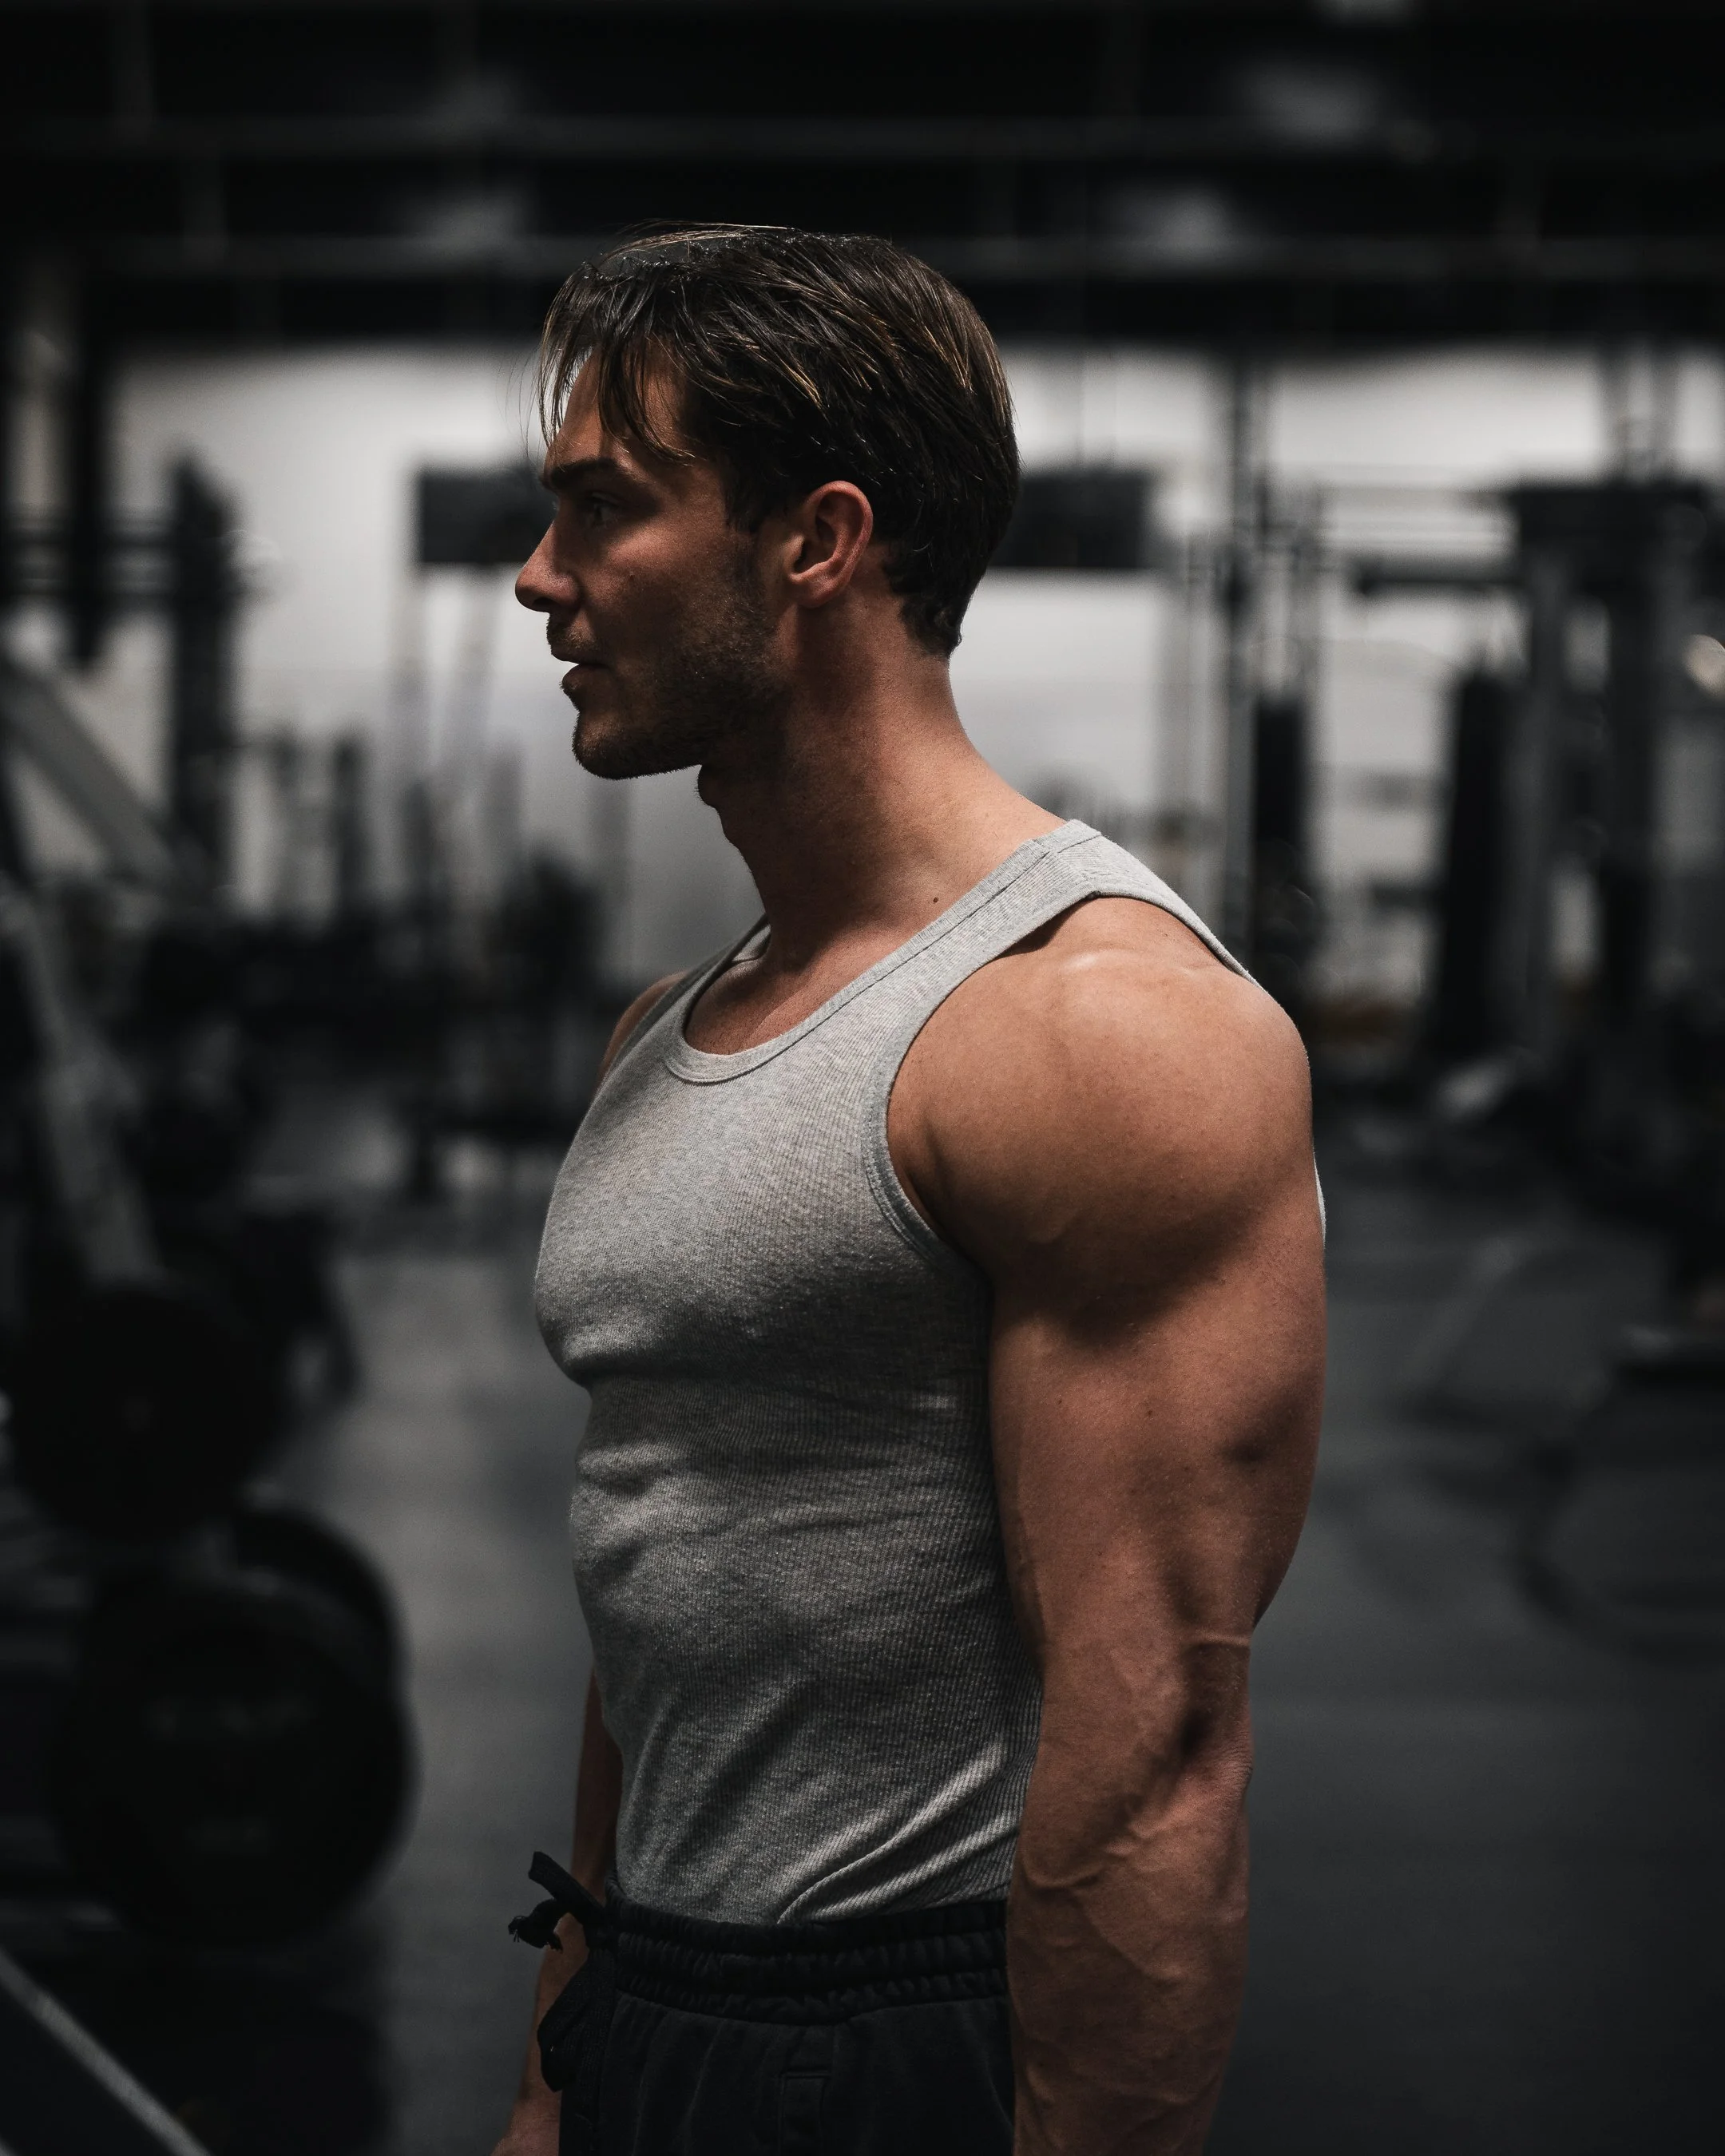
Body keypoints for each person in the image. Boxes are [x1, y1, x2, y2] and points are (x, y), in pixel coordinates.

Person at [496, 226, 1324, 2156]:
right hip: (657, 2002)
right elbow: (665, 1588)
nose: (540, 579)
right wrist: (559, 2062)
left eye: (603, 511)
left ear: (817, 541)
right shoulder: (670, 1028)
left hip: (895, 2036)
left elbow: (1162, 1765)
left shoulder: (1092, 1032)